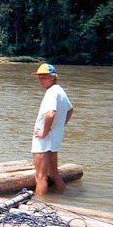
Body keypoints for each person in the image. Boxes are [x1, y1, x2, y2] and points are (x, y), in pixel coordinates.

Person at [30, 63, 74, 195]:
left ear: (53, 77)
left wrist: (44, 131)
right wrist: (59, 127)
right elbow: (70, 110)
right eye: (39, 77)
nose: (40, 80)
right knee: (54, 173)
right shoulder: (60, 90)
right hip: (54, 138)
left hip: (43, 139)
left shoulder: (51, 93)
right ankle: (61, 197)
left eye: (44, 77)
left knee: (40, 177)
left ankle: (39, 206)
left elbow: (51, 113)